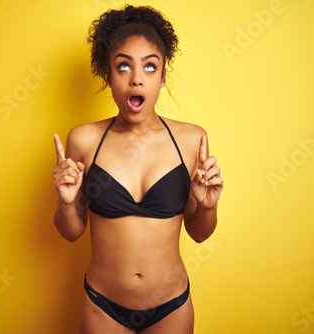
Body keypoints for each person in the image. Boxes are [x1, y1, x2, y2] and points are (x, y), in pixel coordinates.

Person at [53, 5, 223, 333]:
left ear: (162, 77)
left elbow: (199, 233)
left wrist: (209, 206)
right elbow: (71, 231)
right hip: (103, 307)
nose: (136, 79)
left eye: (149, 67)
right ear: (107, 74)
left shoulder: (191, 140)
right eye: (123, 67)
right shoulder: (84, 140)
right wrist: (64, 201)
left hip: (171, 307)